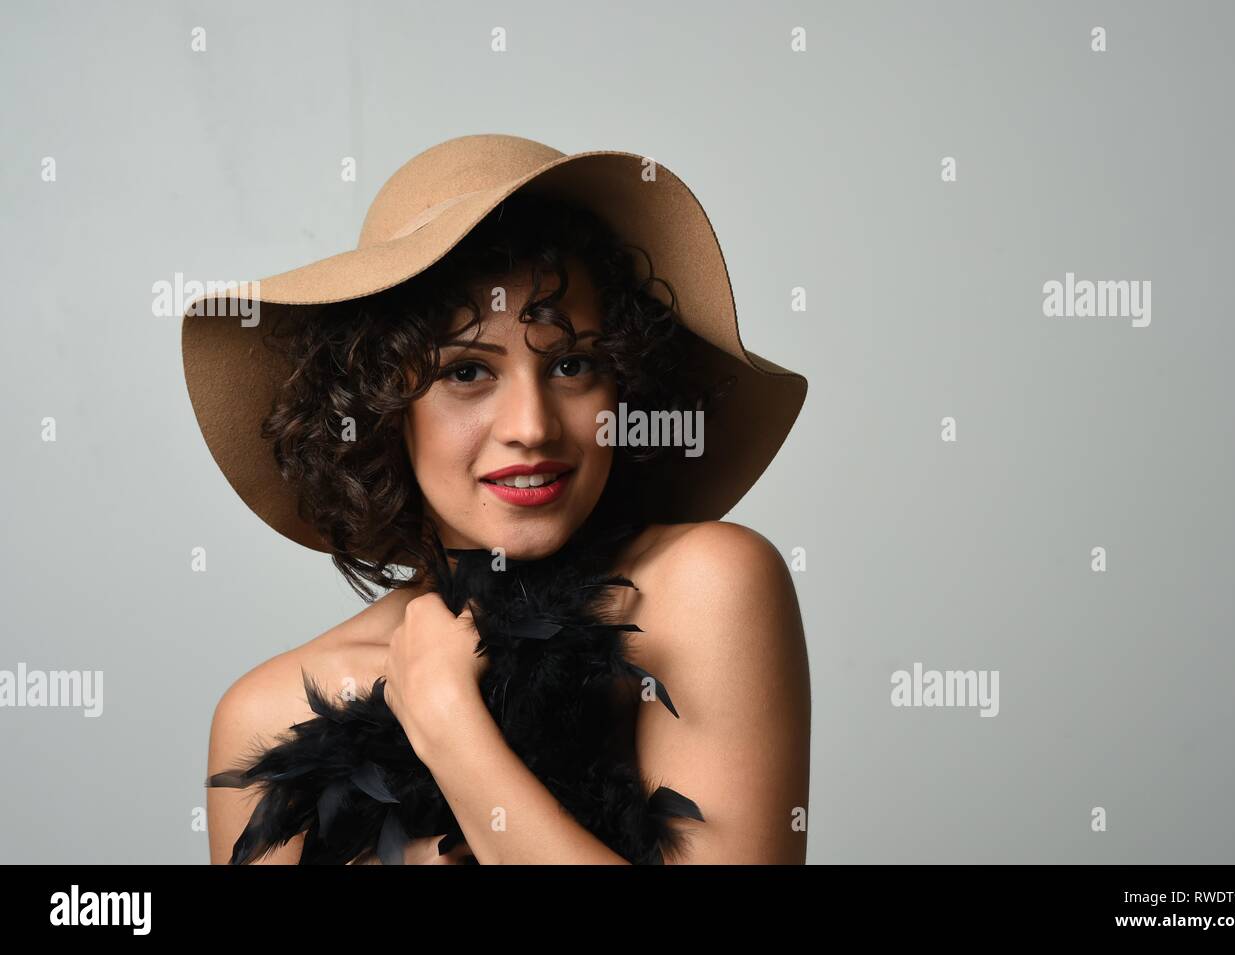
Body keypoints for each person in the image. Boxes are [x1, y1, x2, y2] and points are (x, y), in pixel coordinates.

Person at [186, 134, 811, 864]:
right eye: (466, 373)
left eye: (571, 365)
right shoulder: (265, 715)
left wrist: (451, 724)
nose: (531, 427)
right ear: (384, 407)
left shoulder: (710, 586)